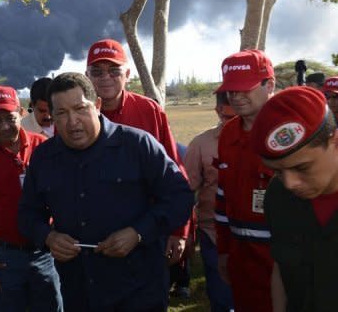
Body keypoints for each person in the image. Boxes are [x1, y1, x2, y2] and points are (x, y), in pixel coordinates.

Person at [18, 72, 194, 311]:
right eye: (61, 113)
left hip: (139, 290)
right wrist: (48, 237)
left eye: (80, 109)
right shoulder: (44, 158)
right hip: (79, 291)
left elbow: (181, 197)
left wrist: (138, 233)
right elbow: (28, 214)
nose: (72, 122)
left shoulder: (138, 145)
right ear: (51, 116)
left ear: (98, 105)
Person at [85, 38, 190, 265]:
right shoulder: (78, 115)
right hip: (93, 235)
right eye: (97, 71)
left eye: (114, 70)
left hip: (147, 230)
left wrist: (179, 230)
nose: (105, 78)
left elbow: (175, 173)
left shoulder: (149, 110)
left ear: (128, 74)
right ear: (87, 75)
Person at [250, 86, 338, 311]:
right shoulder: (278, 195)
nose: (290, 183)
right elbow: (281, 266)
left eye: (302, 167)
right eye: (277, 171)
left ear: (337, 142)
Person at [0, 86, 63, 311]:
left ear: (21, 113)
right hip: (2, 257)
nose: (5, 126)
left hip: (44, 253)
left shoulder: (43, 146)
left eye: (10, 117)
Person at [214, 49, 276, 312]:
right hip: (241, 256)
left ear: (269, 85)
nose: (236, 96)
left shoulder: (289, 130)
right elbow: (222, 195)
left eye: (244, 89)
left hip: (281, 258)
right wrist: (225, 250)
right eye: (231, 90)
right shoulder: (228, 133)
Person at [182, 92, 235, 311]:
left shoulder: (265, 139)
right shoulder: (201, 144)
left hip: (260, 235)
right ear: (218, 111)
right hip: (213, 233)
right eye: (228, 118)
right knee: (222, 297)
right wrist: (182, 233)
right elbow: (186, 191)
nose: (235, 124)